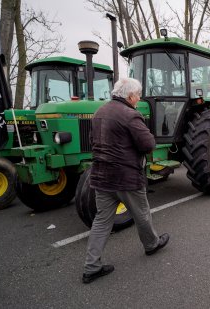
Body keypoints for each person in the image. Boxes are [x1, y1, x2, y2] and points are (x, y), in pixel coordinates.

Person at [82, 77, 169, 284]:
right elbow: (148, 145)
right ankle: (151, 245)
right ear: (130, 96)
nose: (138, 99)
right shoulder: (131, 115)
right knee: (142, 214)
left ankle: (91, 267)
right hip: (126, 178)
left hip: (101, 177)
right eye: (138, 95)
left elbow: (91, 141)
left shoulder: (99, 113)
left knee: (102, 221)